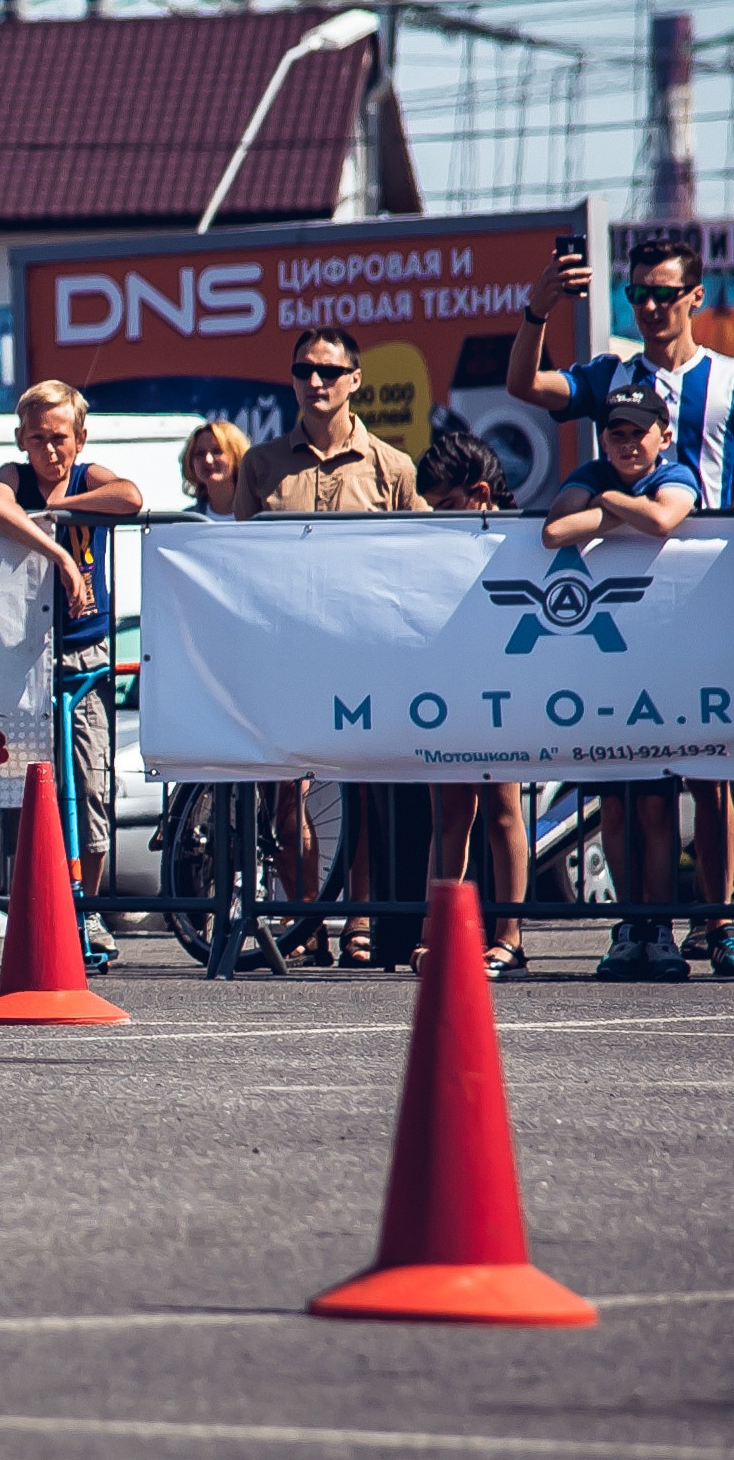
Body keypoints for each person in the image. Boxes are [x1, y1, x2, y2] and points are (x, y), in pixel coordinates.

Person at [512, 235, 732, 978]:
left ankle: (720, 921)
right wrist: (537, 308)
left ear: (695, 297)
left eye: (663, 293)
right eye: (637, 292)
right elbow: (526, 387)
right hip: (619, 599)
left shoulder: (727, 382)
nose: (648, 305)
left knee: (712, 773)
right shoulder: (614, 374)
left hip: (705, 591)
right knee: (623, 775)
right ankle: (640, 927)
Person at [235, 324, 422, 968]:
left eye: (328, 371)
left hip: (366, 657)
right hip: (284, 654)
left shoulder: (393, 467)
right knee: (288, 792)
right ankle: (302, 920)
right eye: (303, 370)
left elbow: (424, 560)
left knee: (364, 792)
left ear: (355, 381)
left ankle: (362, 923)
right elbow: (239, 562)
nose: (314, 381)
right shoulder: (259, 464)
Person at [542, 380, 700, 983]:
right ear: (602, 438)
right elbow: (554, 531)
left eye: (639, 432)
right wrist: (613, 503)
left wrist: (605, 507)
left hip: (660, 663)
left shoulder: (676, 472)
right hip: (607, 672)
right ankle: (628, 927)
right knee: (613, 807)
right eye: (616, 433)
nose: (628, 443)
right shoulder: (592, 470)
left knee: (658, 809)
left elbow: (663, 518)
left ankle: (658, 927)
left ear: (661, 434)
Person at [0, 380, 143, 957]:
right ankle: (35, 907)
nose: (50, 452)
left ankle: (88, 912)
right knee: (27, 787)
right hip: (23, 654)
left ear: (80, 438)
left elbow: (131, 498)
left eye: (61, 439)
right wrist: (62, 555)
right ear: (21, 440)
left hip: (84, 652)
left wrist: (60, 510)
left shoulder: (86, 476)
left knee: (90, 784)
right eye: (38, 439)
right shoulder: (14, 477)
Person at [415, 430, 531, 978]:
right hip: (448, 682)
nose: (435, 515)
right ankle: (437, 936)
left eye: (446, 504)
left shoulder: (520, 536)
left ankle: (509, 937)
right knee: (451, 814)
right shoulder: (438, 541)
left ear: (482, 493)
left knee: (503, 809)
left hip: (503, 683)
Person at [178, 419, 247, 520]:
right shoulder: (186, 521)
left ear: (236, 456)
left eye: (217, 451)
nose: (208, 460)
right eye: (200, 454)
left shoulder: (262, 518)